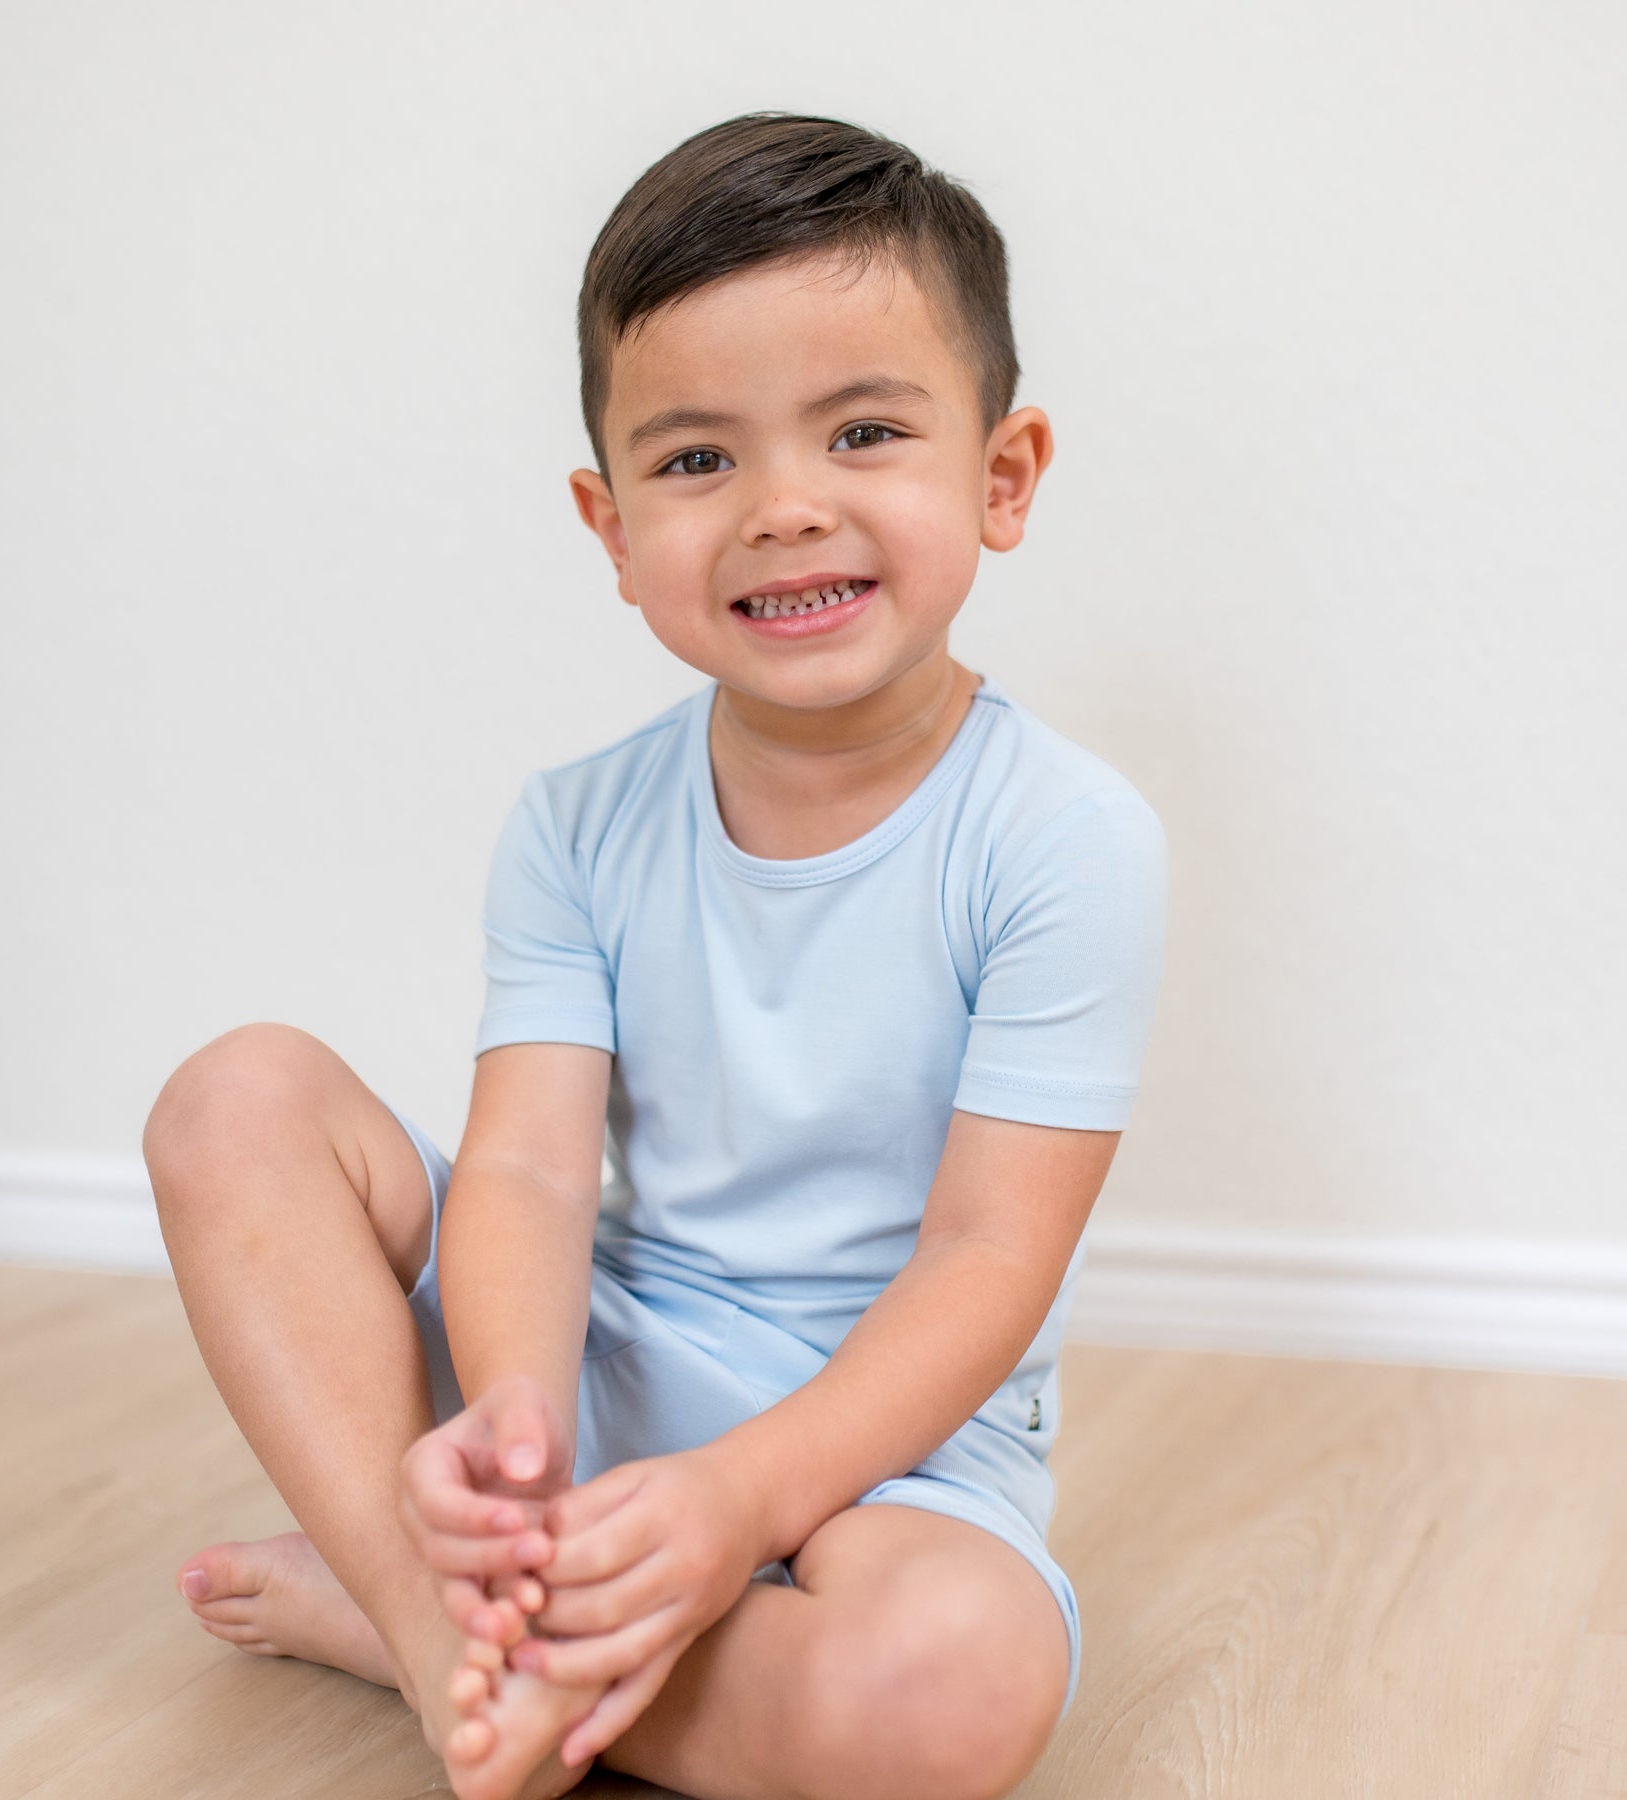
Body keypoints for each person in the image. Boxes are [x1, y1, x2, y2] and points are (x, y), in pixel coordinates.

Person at [143, 111, 1168, 1800]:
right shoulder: (577, 823)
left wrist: (747, 1502)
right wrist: (516, 1429)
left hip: (879, 1443)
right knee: (234, 1097)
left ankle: (447, 1643)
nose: (782, 507)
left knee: (952, 1692)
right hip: (606, 1346)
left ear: (1002, 477)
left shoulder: (1067, 836)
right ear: (610, 527)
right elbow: (536, 1180)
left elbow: (991, 1257)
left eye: (861, 431)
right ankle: (444, 1619)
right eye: (696, 461)